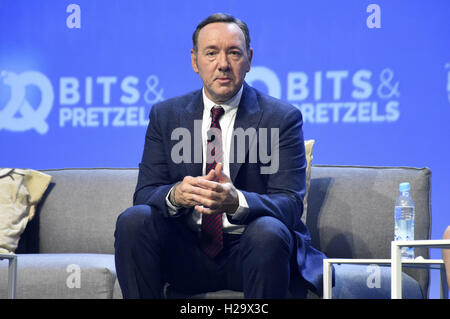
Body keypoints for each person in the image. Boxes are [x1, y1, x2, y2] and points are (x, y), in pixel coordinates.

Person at [114, 13, 328, 299]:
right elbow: (145, 194)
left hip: (252, 251)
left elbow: (289, 205)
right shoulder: (165, 116)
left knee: (268, 231)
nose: (223, 64)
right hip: (185, 255)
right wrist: (176, 195)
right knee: (133, 220)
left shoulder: (281, 118)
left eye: (234, 53)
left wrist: (235, 201)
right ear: (195, 60)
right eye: (211, 53)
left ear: (249, 59)